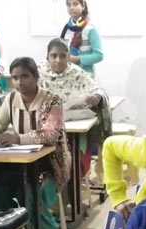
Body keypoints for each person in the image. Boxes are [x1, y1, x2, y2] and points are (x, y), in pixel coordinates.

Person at [0, 57, 71, 229]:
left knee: (33, 192)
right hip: (19, 163)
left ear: (36, 77)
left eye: (25, 76)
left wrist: (18, 139)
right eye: (15, 78)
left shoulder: (52, 101)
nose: (19, 82)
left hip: (51, 166)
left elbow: (50, 135)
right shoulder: (11, 99)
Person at [39, 38, 110, 180]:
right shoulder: (38, 73)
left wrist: (95, 97)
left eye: (63, 56)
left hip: (73, 128)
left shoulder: (77, 73)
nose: (58, 60)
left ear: (69, 57)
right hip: (46, 129)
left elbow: (98, 89)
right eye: (54, 56)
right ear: (47, 57)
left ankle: (73, 181)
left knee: (73, 161)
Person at [60, 0, 103, 76]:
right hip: (67, 75)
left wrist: (78, 59)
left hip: (86, 76)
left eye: (75, 4)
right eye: (69, 5)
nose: (71, 7)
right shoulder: (66, 29)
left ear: (83, 6)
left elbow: (99, 55)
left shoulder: (90, 29)